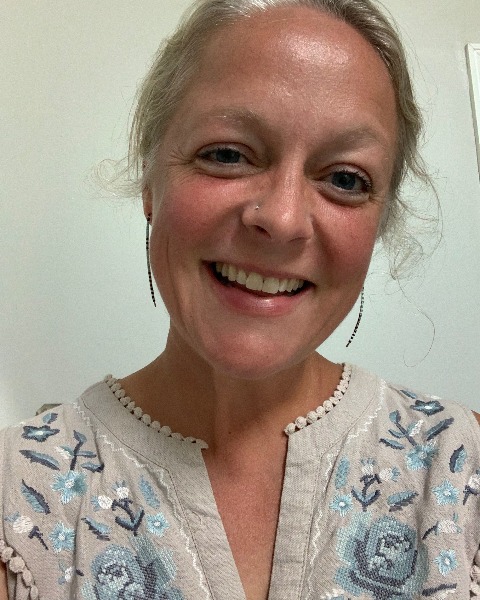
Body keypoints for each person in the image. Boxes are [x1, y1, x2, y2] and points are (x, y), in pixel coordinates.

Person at [1, 0, 479, 598]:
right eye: (227, 154)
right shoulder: (21, 493)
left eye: (345, 179)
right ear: (150, 179)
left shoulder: (460, 469)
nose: (282, 219)